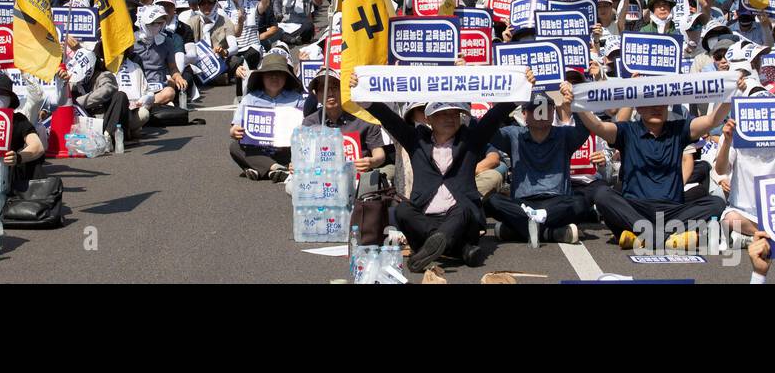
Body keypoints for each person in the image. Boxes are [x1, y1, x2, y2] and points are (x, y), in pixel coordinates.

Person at [351, 70, 535, 272]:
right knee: (403, 210)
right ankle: (457, 249)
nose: (450, 118)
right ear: (429, 118)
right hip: (425, 219)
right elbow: (388, 119)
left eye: (455, 113)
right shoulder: (416, 141)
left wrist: (522, 86)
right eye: (443, 113)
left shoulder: (470, 140)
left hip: (460, 220)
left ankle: (436, 248)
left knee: (464, 208)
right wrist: (362, 92)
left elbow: (494, 117)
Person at [573, 89, 732, 250]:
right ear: (639, 108)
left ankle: (645, 236)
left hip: (672, 211)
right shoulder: (627, 131)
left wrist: (731, 92)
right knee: (602, 195)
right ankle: (664, 237)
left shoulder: (678, 129)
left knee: (716, 203)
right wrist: (576, 102)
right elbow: (598, 126)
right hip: (636, 209)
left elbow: (712, 120)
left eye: (661, 105)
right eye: (650, 104)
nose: (657, 108)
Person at [486, 85, 589, 245]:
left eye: (546, 108)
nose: (540, 113)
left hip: (557, 201)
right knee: (492, 201)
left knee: (581, 203)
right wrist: (510, 102)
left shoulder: (564, 135)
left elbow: (585, 128)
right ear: (524, 113)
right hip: (523, 203)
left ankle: (521, 229)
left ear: (553, 111)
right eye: (534, 108)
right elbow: (487, 130)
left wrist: (574, 103)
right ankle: (550, 232)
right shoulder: (514, 135)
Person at [229, 53, 306, 181]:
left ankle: (260, 169)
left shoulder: (297, 99)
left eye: (279, 74)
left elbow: (308, 125)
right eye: (270, 74)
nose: (274, 77)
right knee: (235, 147)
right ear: (262, 77)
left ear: (286, 77)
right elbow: (235, 127)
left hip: (287, 151)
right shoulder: (250, 99)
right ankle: (275, 168)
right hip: (258, 150)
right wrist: (234, 131)